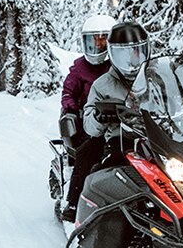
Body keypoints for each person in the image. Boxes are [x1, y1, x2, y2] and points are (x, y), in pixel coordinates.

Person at [61, 21, 151, 222]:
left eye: (137, 51)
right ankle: (76, 203)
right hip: (118, 138)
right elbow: (89, 123)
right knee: (89, 153)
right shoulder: (101, 83)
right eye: (123, 53)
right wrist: (98, 115)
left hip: (152, 137)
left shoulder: (154, 79)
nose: (131, 58)